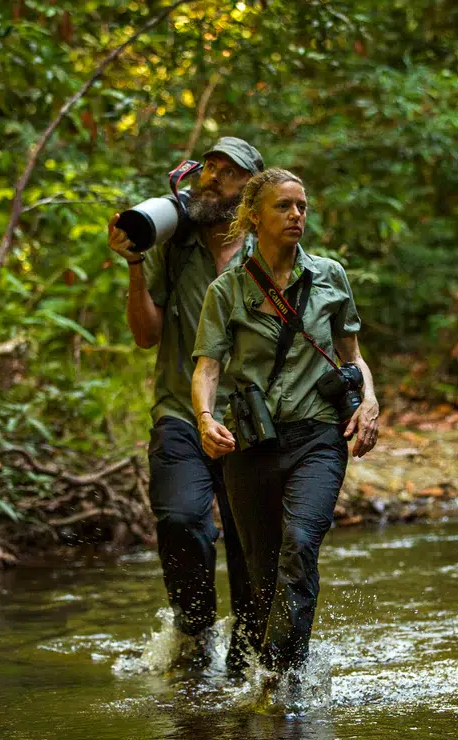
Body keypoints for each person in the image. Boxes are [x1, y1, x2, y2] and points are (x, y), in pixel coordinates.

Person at [190, 168, 380, 697]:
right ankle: (252, 673)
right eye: (284, 207)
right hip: (251, 446)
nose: (297, 215)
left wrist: (370, 402)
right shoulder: (226, 291)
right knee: (258, 575)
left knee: (300, 545)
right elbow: (207, 368)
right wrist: (206, 419)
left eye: (302, 205)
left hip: (319, 438)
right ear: (253, 216)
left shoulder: (330, 276)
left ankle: (282, 680)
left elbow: (353, 357)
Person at [106, 136, 265, 671]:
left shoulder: (266, 251)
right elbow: (146, 336)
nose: (212, 178)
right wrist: (134, 266)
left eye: (228, 172)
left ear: (252, 191)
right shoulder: (177, 246)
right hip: (179, 413)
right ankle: (193, 633)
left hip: (250, 421)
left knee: (250, 552)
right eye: (209, 167)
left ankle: (249, 661)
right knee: (180, 521)